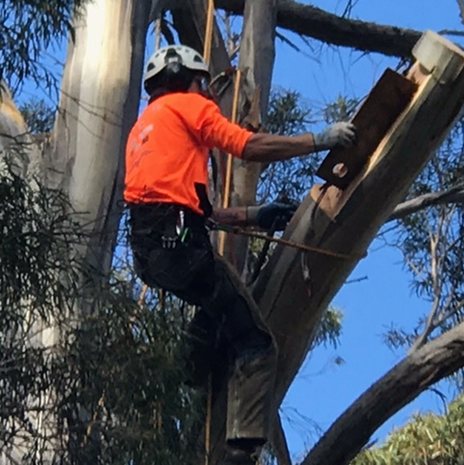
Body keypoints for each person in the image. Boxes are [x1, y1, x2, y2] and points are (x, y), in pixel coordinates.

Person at [124, 45, 356, 465]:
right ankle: (241, 449)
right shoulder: (189, 106)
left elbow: (202, 213)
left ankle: (186, 372)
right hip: (182, 247)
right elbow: (246, 145)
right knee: (255, 341)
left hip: (151, 252)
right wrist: (317, 140)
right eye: (204, 85)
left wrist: (257, 214)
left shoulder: (145, 128)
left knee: (217, 310)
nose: (208, 95)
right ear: (191, 80)